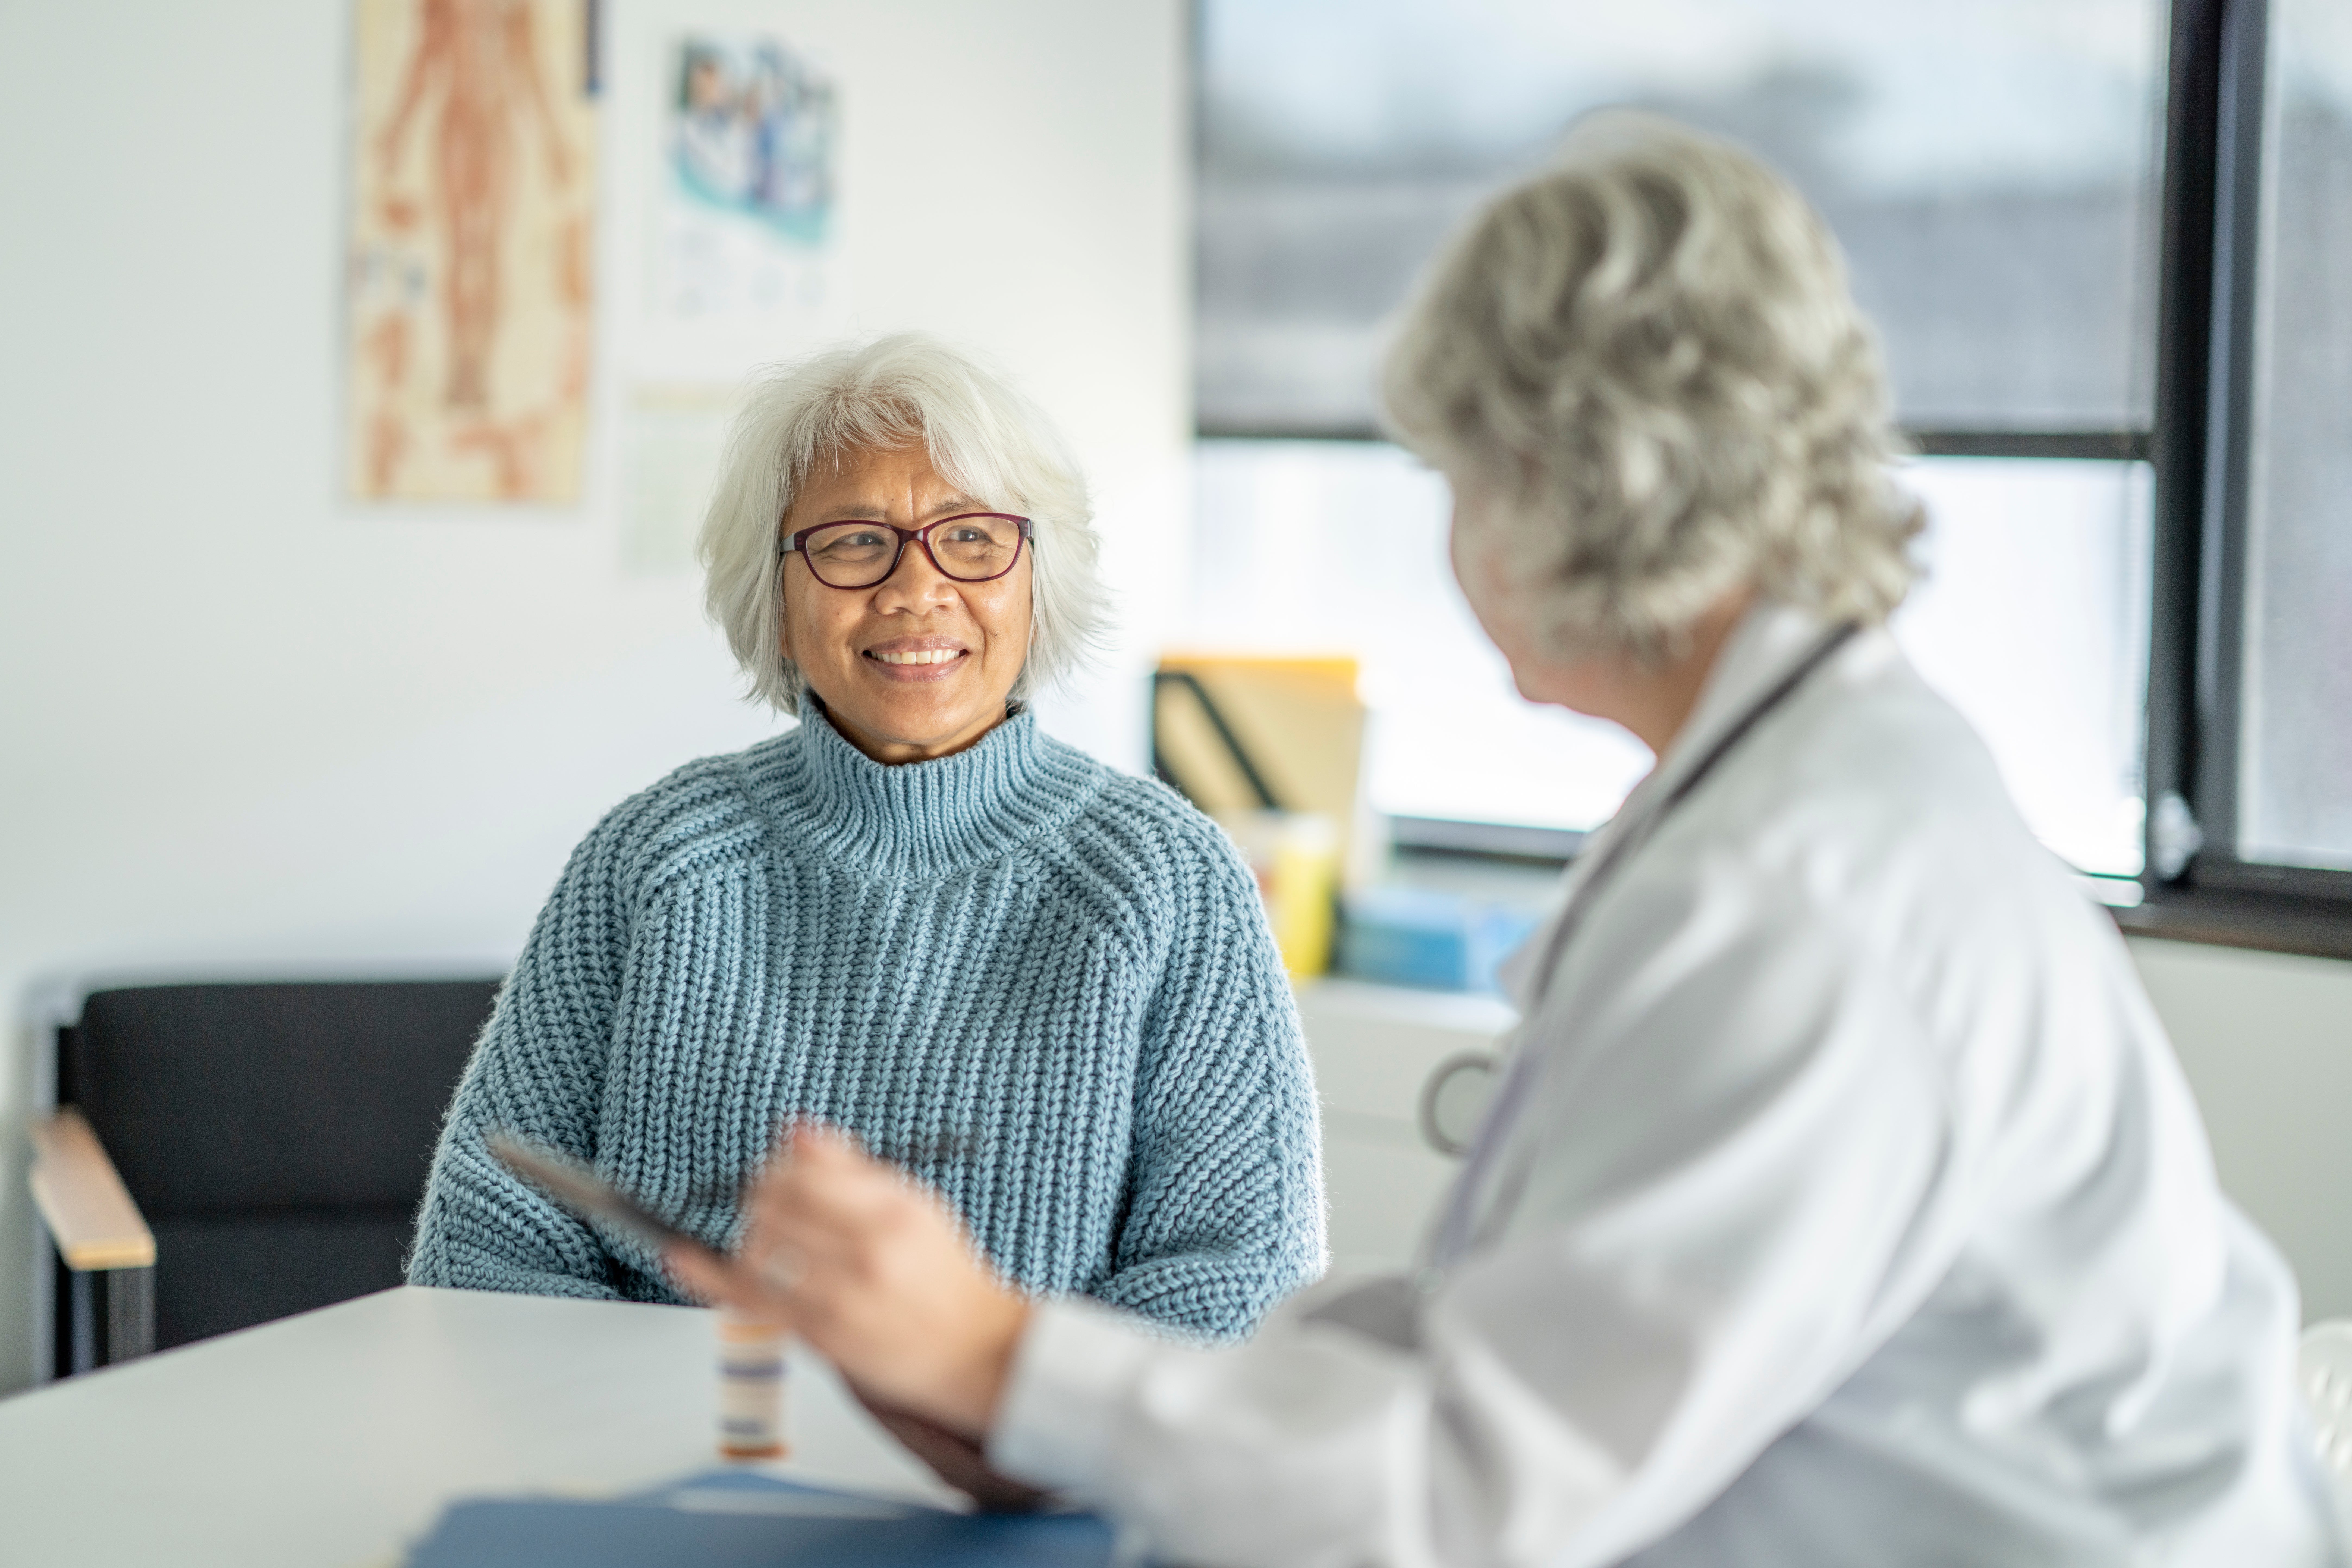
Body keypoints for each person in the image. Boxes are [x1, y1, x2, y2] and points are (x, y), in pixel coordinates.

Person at [671, 118, 2345, 1564]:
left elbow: (1477, 1497)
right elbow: (1522, 1319)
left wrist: (1009, 1361)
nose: (1453, 544)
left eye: (1457, 479)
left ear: (1576, 481)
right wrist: (1046, 1391)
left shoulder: (1806, 896)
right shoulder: (1786, 800)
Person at [410, 334, 1326, 1344]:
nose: (915, 590)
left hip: (1016, 1484)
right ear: (779, 597)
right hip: (676, 1465)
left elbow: (1243, 1281)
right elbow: (479, 1253)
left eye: (971, 538)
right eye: (853, 542)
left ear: (1036, 578)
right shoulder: (656, 861)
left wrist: (973, 1402)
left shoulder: (1166, 878)